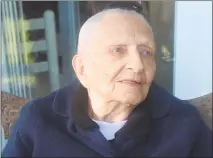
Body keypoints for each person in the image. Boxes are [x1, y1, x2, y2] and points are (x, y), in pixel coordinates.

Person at [2, 8, 212, 157]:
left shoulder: (184, 123)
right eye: (117, 50)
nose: (138, 65)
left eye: (146, 52)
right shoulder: (38, 119)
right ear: (82, 68)